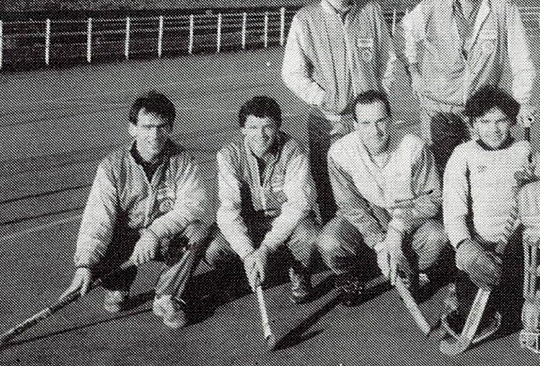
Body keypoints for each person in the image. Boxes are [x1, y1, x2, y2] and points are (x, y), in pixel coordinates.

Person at [62, 91, 211, 329]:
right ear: (132, 128)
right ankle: (117, 285)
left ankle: (166, 296)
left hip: (162, 237)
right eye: (147, 127)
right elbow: (98, 218)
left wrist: (153, 233)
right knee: (107, 235)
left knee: (197, 230)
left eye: (162, 127)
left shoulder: (183, 160)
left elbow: (193, 206)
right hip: (125, 236)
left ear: (170, 128)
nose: (154, 135)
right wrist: (84, 265)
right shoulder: (112, 165)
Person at [281, 0, 398, 223]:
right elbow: (292, 72)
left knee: (372, 183)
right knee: (329, 187)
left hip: (367, 122)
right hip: (328, 121)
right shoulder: (306, 19)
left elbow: (388, 58)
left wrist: (379, 95)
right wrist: (323, 98)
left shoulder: (370, 11)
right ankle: (336, 249)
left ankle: (375, 242)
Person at [402, 0, 535, 171]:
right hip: (438, 110)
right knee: (442, 175)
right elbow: (404, 32)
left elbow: (521, 58)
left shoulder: (502, 8)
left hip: (480, 111)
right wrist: (414, 72)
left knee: (482, 176)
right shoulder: (433, 5)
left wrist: (522, 100)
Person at [317, 90, 447, 307]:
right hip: (368, 212)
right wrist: (378, 243)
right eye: (366, 123)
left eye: (380, 121)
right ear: (355, 124)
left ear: (391, 119)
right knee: (329, 242)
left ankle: (414, 270)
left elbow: (431, 199)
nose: (374, 131)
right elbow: (350, 204)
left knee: (437, 236)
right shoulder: (340, 152)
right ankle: (350, 274)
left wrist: (397, 229)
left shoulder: (414, 147)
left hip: (408, 213)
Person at [442, 85, 540, 346]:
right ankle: (460, 291)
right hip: (482, 246)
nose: (493, 129)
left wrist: (535, 180)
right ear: (473, 124)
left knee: (514, 314)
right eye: (484, 122)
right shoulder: (463, 154)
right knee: (474, 314)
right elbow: (453, 210)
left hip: (520, 245)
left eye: (500, 121)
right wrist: (465, 248)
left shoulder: (524, 151)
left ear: (511, 121)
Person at [205, 96, 319, 303]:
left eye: (268, 127)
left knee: (309, 237)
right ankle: (241, 271)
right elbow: (228, 210)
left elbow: (298, 205)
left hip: (285, 219)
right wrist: (248, 253)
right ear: (243, 129)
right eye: (253, 127)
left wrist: (266, 249)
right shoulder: (229, 155)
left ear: (278, 126)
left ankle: (298, 270)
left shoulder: (294, 150)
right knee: (214, 249)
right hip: (249, 223)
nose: (261, 135)